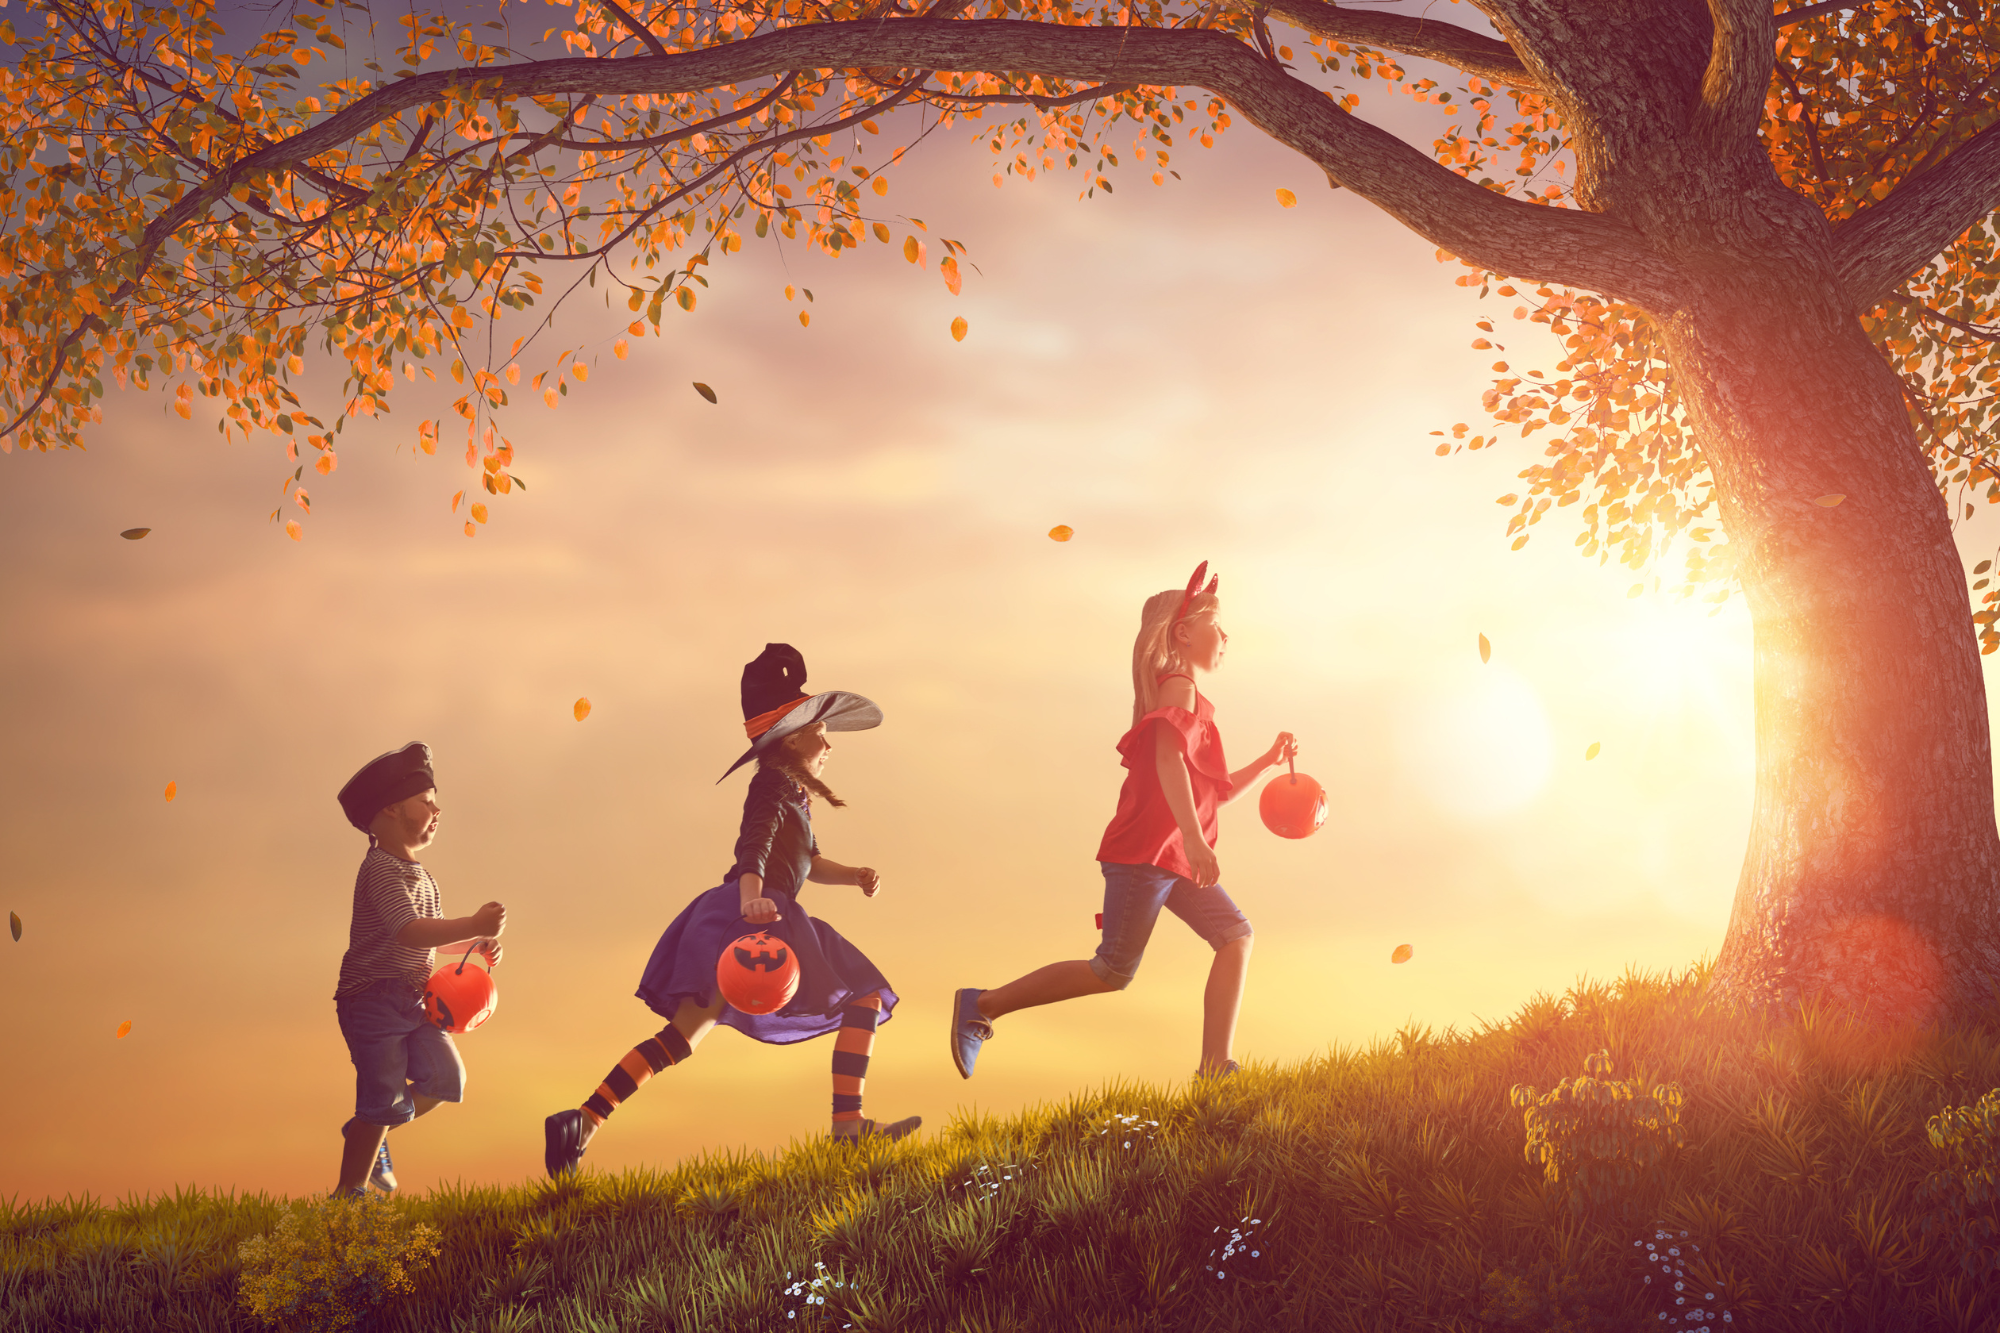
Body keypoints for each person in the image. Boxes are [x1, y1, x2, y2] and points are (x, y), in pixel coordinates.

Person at [543, 644, 918, 1176]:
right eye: (819, 731)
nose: (828, 742)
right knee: (865, 994)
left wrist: (852, 875)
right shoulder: (770, 784)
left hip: (754, 913)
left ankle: (582, 1121)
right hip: (755, 915)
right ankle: (848, 1126)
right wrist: (751, 900)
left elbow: (807, 862)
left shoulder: (794, 792)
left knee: (682, 1037)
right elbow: (755, 846)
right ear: (792, 739)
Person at [949, 562, 1297, 1081]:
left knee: (1235, 936)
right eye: (1218, 627)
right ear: (1184, 633)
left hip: (1172, 858)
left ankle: (1214, 1067)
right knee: (1111, 970)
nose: (1227, 637)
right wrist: (1199, 844)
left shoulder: (1192, 699)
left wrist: (1268, 761)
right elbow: (1167, 762)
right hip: (1144, 857)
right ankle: (983, 1004)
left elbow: (1211, 794)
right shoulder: (1177, 687)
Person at [331, 742, 505, 1197]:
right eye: (426, 801)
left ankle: (364, 1133)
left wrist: (474, 946)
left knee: (447, 1079)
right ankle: (348, 1196)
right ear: (391, 810)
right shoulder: (382, 871)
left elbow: (432, 936)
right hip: (373, 1000)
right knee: (383, 1097)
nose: (436, 809)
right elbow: (408, 931)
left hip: (413, 998)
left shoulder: (421, 875)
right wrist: (473, 921)